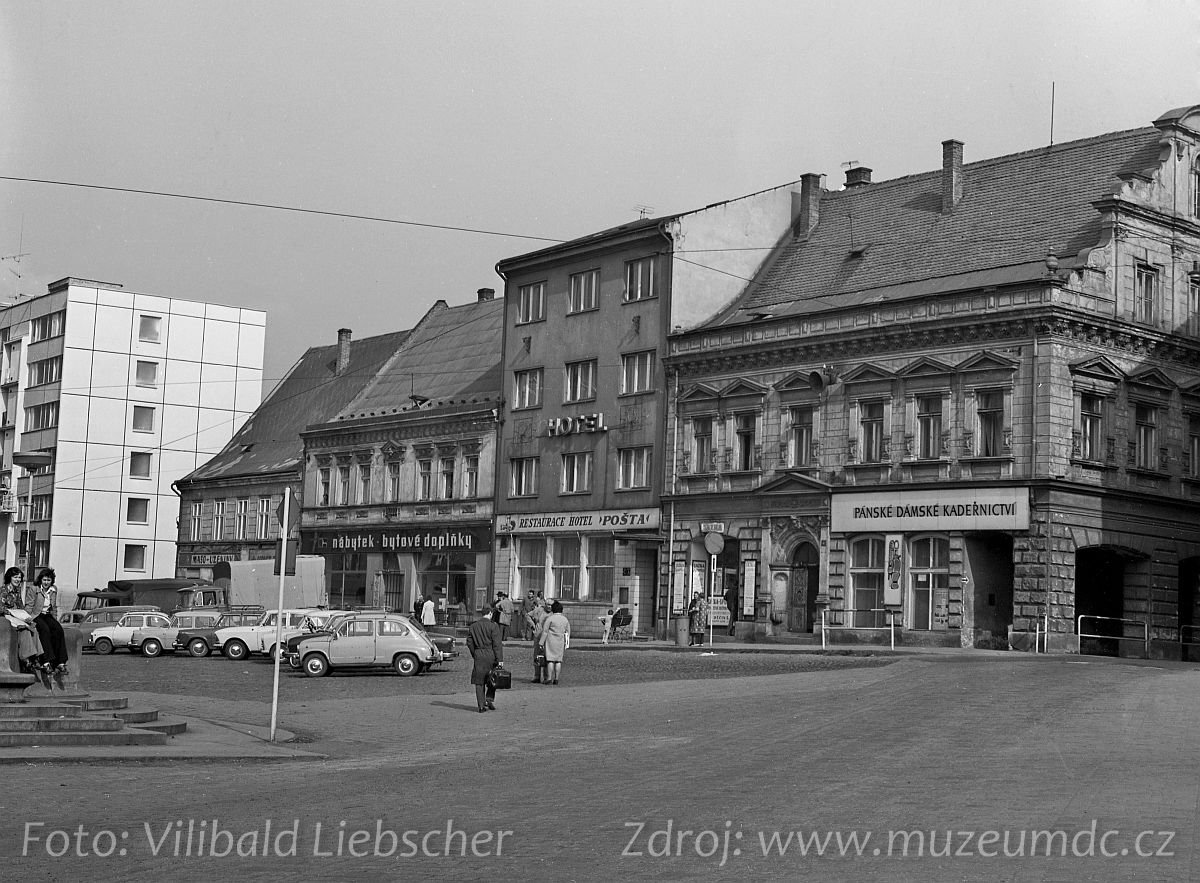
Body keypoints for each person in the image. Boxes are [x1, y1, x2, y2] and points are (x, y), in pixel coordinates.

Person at [1, 567, 44, 673]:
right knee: (24, 629)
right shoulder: (3, 590)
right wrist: (12, 612)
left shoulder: (17, 591)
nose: (17, 579)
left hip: (17, 617)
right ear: (9, 578)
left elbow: (21, 606)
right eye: (15, 577)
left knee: (33, 626)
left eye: (19, 577)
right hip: (7, 618)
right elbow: (1, 608)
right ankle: (25, 658)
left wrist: (25, 616)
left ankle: (36, 657)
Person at [26, 567, 68, 674]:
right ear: (40, 580)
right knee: (44, 630)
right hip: (36, 615)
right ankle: (46, 661)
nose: (46, 582)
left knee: (58, 630)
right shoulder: (34, 589)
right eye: (44, 580)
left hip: (47, 615)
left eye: (48, 580)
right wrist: (28, 619)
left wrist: (55, 619)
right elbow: (29, 606)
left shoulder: (53, 590)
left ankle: (60, 662)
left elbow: (54, 607)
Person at [466, 609, 504, 713]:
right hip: (490, 653)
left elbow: (469, 642)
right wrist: (499, 659)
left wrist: (475, 653)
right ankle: (489, 698)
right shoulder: (493, 626)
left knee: (479, 681)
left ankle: (481, 705)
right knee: (493, 678)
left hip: (479, 654)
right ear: (490, 613)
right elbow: (497, 644)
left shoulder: (473, 626)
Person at [536, 600, 571, 685]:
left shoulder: (550, 619)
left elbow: (545, 631)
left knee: (550, 660)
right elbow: (568, 631)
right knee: (558, 661)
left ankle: (549, 678)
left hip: (550, 641)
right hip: (560, 641)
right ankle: (556, 678)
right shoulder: (565, 619)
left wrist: (541, 643)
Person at [526, 602, 548, 681]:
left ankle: (546, 676)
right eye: (547, 604)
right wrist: (532, 625)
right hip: (538, 634)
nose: (549, 606)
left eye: (550, 605)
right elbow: (528, 615)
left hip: (548, 636)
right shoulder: (538, 610)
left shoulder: (553, 612)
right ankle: (537, 675)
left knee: (547, 656)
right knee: (537, 655)